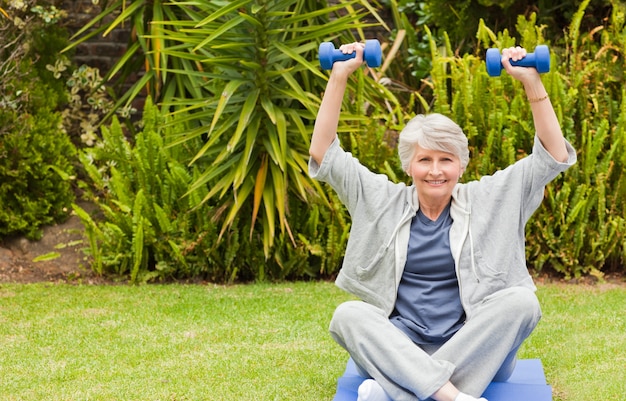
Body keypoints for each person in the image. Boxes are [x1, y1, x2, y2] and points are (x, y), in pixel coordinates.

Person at [308, 43, 576, 401]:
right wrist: (339, 75)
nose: (435, 171)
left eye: (446, 160)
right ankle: (452, 396)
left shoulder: (489, 197)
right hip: (399, 341)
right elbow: (323, 153)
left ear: (461, 165)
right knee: (348, 315)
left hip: (474, 345)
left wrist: (531, 80)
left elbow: (553, 157)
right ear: (409, 166)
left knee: (522, 303)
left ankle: (397, 392)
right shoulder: (381, 199)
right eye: (425, 160)